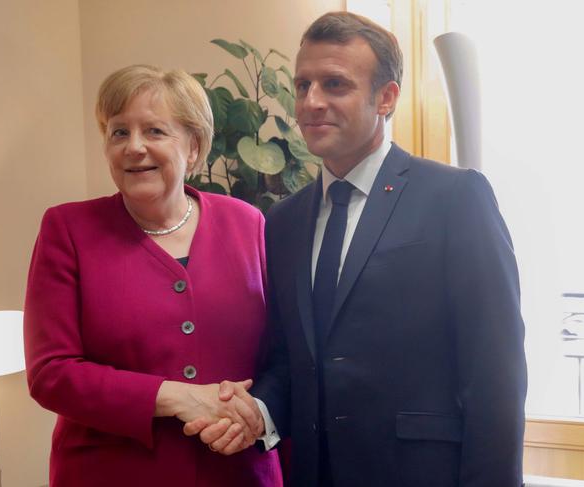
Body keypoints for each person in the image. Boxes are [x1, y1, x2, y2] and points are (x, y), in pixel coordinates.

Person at [188, 11, 527, 487]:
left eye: (334, 84)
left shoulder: (455, 197)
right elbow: (289, 360)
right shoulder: (282, 221)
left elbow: (496, 373)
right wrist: (257, 413)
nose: (311, 101)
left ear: (386, 97)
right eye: (303, 84)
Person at [23, 64, 282, 487]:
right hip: (111, 473)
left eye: (155, 131)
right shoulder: (67, 229)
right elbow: (51, 372)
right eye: (119, 132)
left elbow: (282, 351)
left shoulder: (247, 223)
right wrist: (178, 397)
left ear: (194, 147)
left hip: (236, 471)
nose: (134, 147)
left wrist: (256, 414)